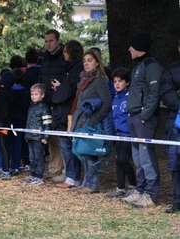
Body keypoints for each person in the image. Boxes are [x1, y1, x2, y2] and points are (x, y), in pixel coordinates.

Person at [120, 33, 163, 208]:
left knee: (146, 156)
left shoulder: (151, 66)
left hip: (145, 118)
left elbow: (155, 93)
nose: (129, 49)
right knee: (138, 157)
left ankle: (151, 195)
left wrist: (145, 115)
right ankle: (141, 189)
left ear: (138, 48)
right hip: (135, 117)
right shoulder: (139, 65)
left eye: (131, 46)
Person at [70, 49, 112, 194]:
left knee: (91, 153)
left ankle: (92, 184)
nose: (86, 63)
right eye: (84, 61)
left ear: (97, 62)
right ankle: (86, 182)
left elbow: (107, 103)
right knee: (85, 152)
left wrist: (93, 121)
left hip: (91, 123)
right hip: (81, 121)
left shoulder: (99, 81)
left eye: (90, 60)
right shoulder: (85, 80)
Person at [50, 40, 84, 189]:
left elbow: (68, 91)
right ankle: (72, 176)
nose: (63, 54)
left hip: (68, 114)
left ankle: (73, 177)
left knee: (68, 146)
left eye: (65, 51)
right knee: (66, 146)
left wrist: (60, 87)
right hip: (63, 113)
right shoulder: (68, 69)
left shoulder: (76, 70)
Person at [38, 29, 66, 180]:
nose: (48, 44)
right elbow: (41, 77)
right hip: (47, 101)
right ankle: (54, 167)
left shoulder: (64, 57)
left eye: (51, 41)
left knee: (62, 137)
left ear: (58, 41)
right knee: (51, 136)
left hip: (60, 101)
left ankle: (65, 170)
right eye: (46, 41)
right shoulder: (45, 58)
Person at [105, 67, 136, 198]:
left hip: (128, 134)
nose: (117, 84)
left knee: (124, 159)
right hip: (118, 134)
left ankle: (133, 185)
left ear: (127, 82)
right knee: (118, 161)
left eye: (120, 81)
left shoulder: (131, 96)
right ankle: (120, 187)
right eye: (115, 81)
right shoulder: (116, 97)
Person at [159, 38, 180, 213]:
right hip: (176, 125)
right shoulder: (171, 71)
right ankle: (177, 201)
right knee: (176, 166)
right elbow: (169, 97)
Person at [21, 83, 52, 186]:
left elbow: (47, 123)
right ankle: (33, 175)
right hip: (30, 136)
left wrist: (45, 136)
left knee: (39, 157)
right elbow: (29, 122)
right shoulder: (31, 107)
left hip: (39, 138)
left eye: (36, 94)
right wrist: (27, 135)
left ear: (42, 95)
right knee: (32, 157)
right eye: (32, 94)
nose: (33, 96)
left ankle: (39, 176)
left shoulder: (44, 107)